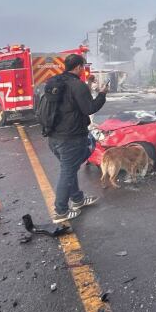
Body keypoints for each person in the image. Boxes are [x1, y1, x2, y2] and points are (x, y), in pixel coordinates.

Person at [46, 54, 108, 223]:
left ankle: (78, 199)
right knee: (67, 171)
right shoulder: (76, 85)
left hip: (54, 138)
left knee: (69, 168)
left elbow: (74, 101)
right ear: (79, 67)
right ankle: (60, 211)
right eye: (83, 66)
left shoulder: (56, 82)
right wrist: (102, 94)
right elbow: (89, 107)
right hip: (70, 139)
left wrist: (88, 85)